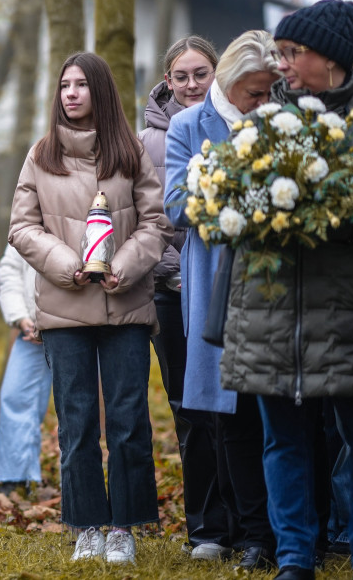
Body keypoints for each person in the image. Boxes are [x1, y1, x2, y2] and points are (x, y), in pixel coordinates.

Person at [217, 0, 353, 580]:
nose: (284, 63)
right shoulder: (267, 119)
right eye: (282, 52)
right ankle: (295, 556)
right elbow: (232, 203)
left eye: (294, 52)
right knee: (282, 440)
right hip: (276, 314)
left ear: (332, 58)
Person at [8, 52, 171, 564]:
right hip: (65, 308)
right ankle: (86, 525)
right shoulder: (40, 154)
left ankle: (124, 525)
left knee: (127, 418)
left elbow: (156, 221)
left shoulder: (130, 151)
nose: (71, 93)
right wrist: (64, 262)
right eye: (64, 85)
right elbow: (22, 226)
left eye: (80, 85)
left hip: (126, 304)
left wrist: (122, 263)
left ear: (99, 91)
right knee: (76, 421)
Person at [165, 30, 282, 571]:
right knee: (229, 417)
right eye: (254, 93)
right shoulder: (189, 126)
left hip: (276, 285)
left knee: (280, 414)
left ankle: (291, 529)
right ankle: (252, 534)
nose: (262, 104)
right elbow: (176, 207)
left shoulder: (282, 122)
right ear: (232, 83)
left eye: (267, 93)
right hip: (214, 284)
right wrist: (240, 190)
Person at [140, 36, 230, 561]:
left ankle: (245, 518)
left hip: (225, 286)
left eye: (201, 73)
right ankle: (205, 528)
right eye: (182, 76)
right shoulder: (145, 140)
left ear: (216, 74)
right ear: (167, 81)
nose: (192, 84)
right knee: (189, 410)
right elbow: (146, 218)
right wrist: (174, 271)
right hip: (170, 292)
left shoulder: (233, 123)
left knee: (237, 407)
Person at [0, 242, 49, 492]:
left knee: (80, 405)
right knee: (13, 396)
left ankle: (84, 486)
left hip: (77, 327)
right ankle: (15, 476)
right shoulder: (27, 213)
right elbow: (10, 269)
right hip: (30, 329)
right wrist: (22, 318)